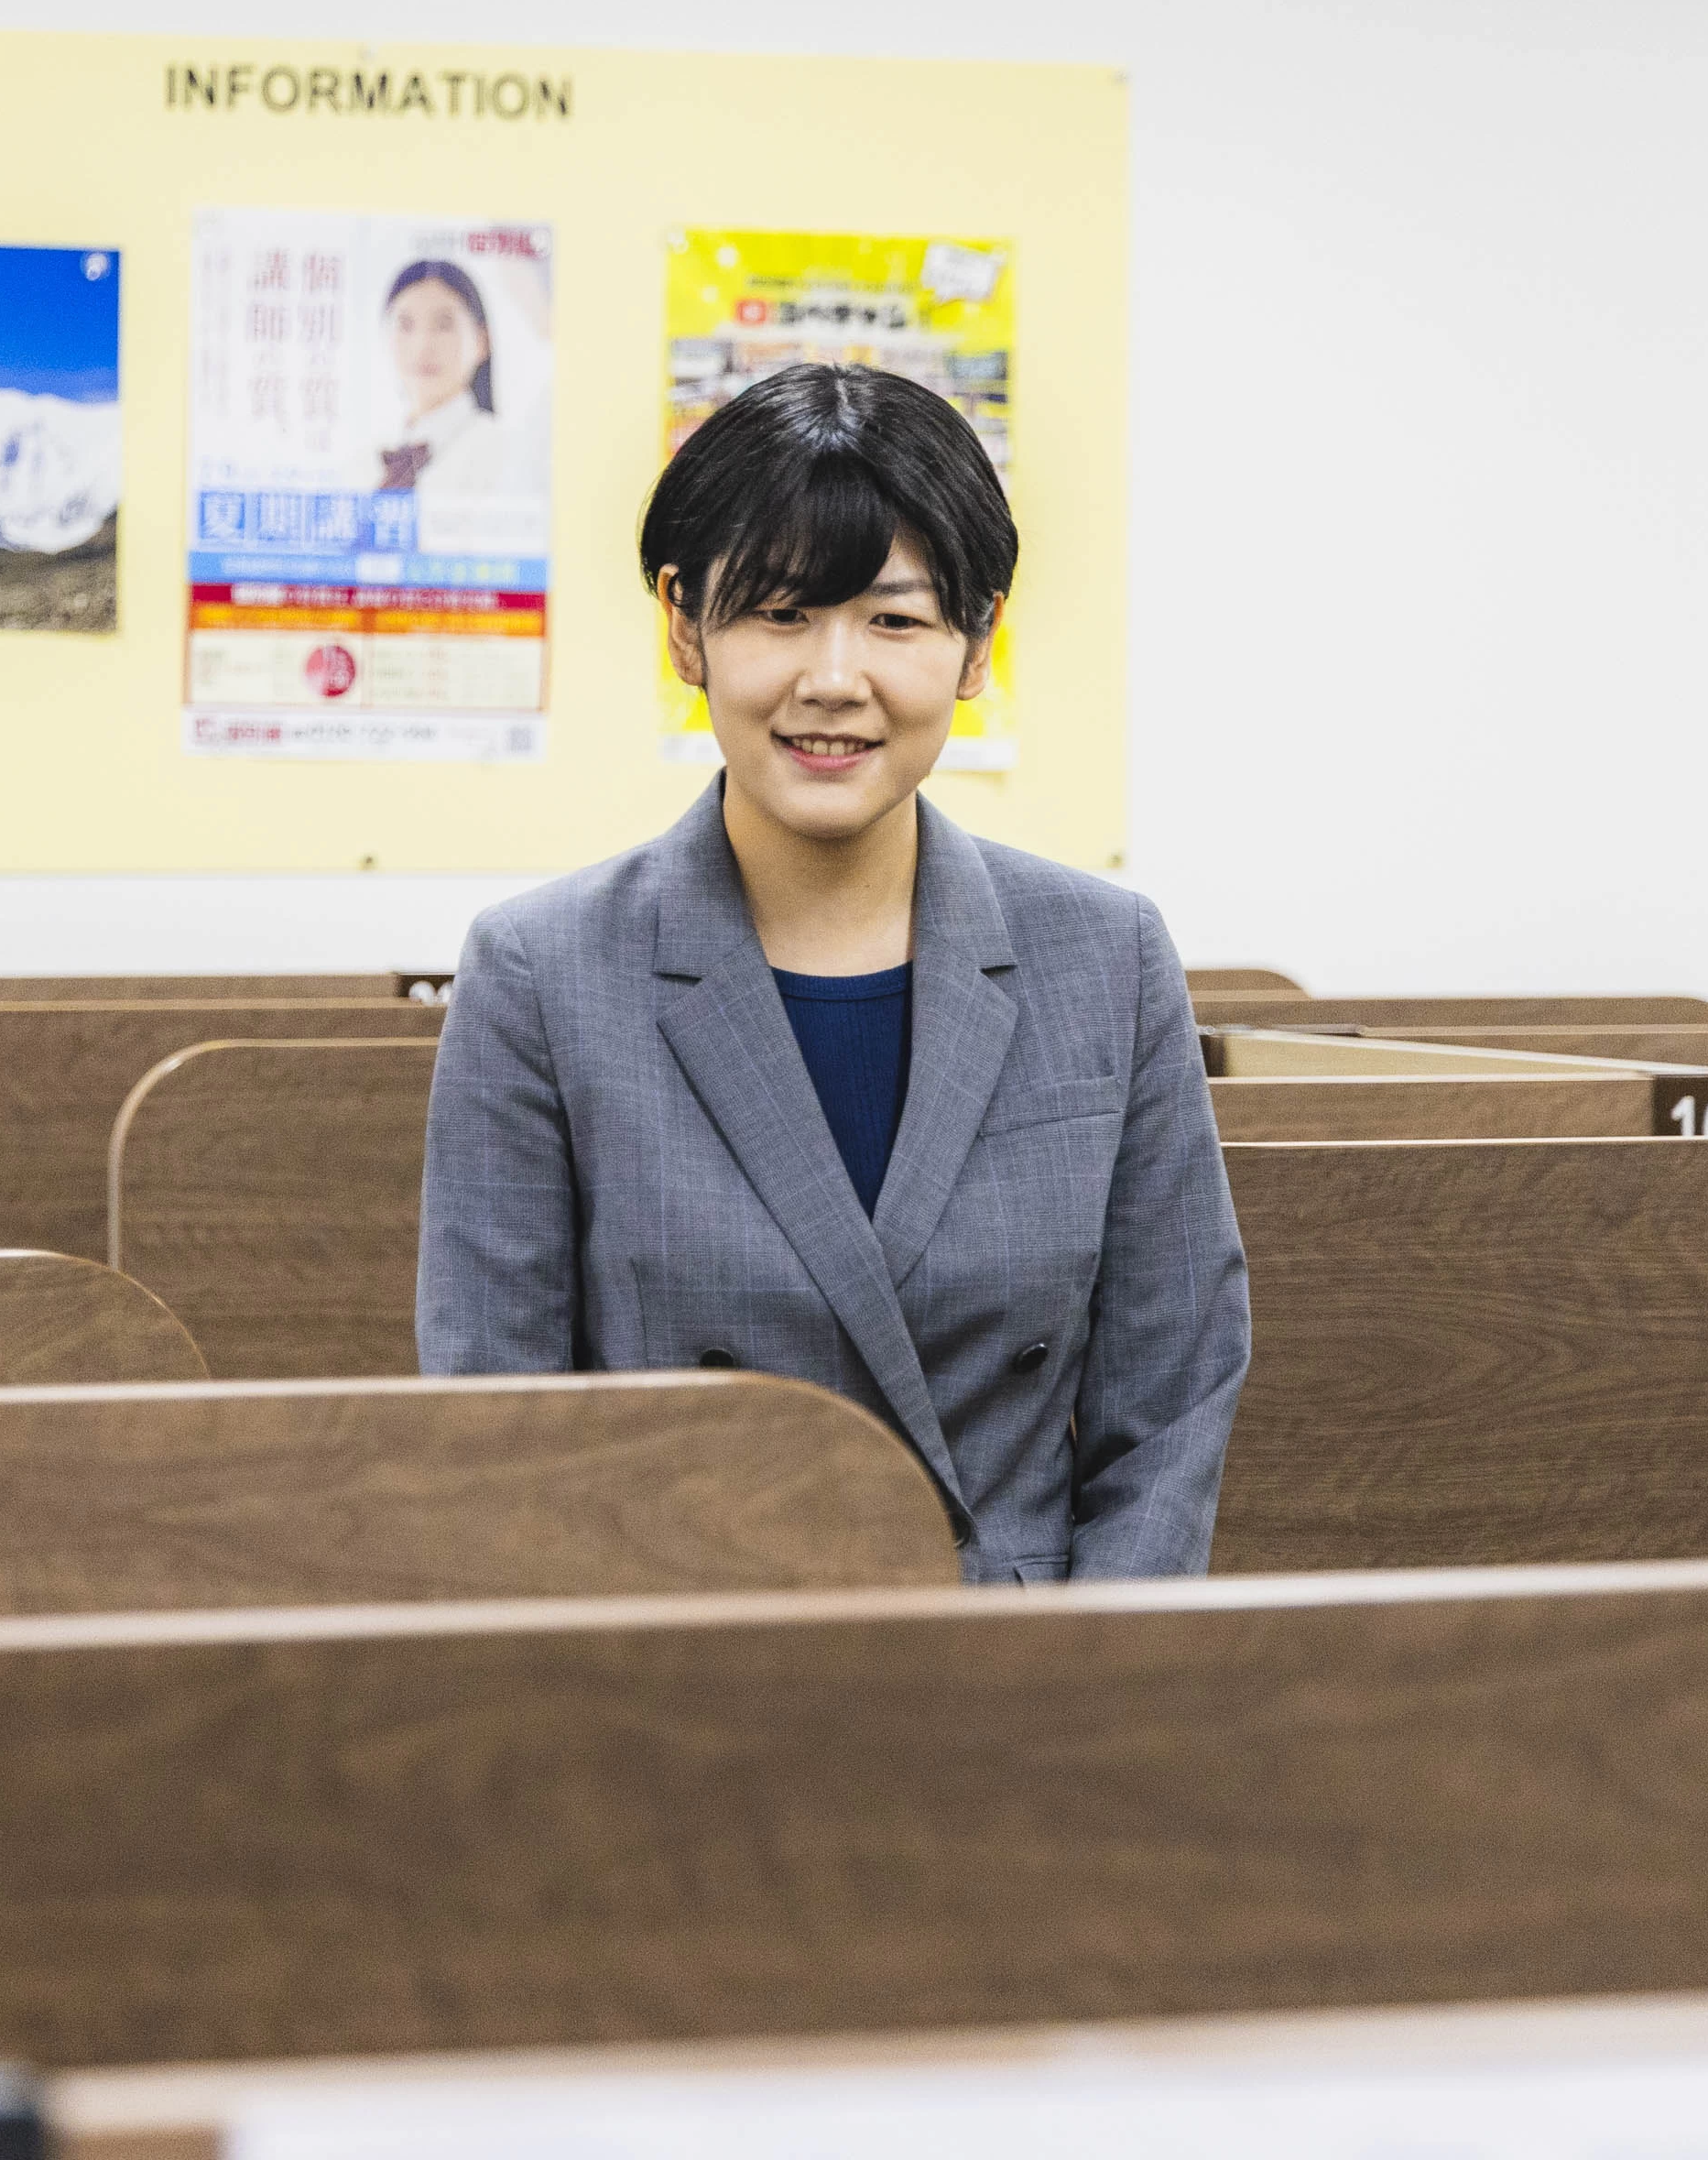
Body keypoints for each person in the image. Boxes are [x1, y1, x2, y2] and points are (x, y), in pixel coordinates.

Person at [417, 362, 1250, 1582]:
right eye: (779, 612)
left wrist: (1082, 1687)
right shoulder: (542, 972)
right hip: (683, 1696)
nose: (833, 678)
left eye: (896, 620)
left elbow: (1172, 1404)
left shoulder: (1106, 958)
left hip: (1022, 1696)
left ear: (978, 646)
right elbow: (498, 1439)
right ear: (683, 626)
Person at [364, 257, 536, 512]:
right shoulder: (364, 460)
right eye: (405, 324)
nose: (422, 345)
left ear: (481, 341)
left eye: (444, 325)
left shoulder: (505, 452)